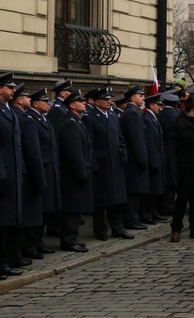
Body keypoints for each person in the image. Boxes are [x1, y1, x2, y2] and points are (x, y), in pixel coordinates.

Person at [0, 72, 28, 271]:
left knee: (11, 220)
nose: (13, 91)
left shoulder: (7, 109)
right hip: (3, 173)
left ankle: (7, 259)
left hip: (14, 171)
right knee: (1, 221)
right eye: (10, 87)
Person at [85, 88, 132, 241]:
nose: (109, 102)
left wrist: (123, 155)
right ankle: (100, 230)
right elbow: (89, 143)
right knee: (101, 199)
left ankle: (118, 228)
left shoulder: (112, 115)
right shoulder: (90, 117)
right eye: (105, 100)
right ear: (96, 101)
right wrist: (93, 163)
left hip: (116, 162)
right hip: (101, 163)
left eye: (109, 99)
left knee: (117, 198)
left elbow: (119, 137)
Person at [10, 84, 47, 261]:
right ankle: (26, 248)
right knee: (28, 216)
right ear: (19, 100)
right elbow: (33, 152)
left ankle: (25, 248)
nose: (30, 99)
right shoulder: (24, 119)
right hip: (27, 174)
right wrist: (40, 179)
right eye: (26, 97)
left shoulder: (18, 117)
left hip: (21, 172)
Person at [57, 90, 94, 252]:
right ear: (72, 105)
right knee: (72, 208)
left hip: (78, 172)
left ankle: (73, 238)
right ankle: (68, 240)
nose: (84, 102)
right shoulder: (70, 124)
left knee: (76, 207)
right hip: (72, 175)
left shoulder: (77, 121)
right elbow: (74, 153)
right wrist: (81, 173)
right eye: (80, 101)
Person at [26, 89, 60, 254]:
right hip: (41, 169)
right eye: (44, 101)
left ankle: (38, 242)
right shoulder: (31, 119)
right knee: (38, 209)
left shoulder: (43, 118)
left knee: (45, 209)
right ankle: (31, 243)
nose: (48, 104)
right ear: (35, 103)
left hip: (49, 168)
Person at [171, 93, 194, 241]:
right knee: (182, 198)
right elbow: (188, 140)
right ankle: (176, 228)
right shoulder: (181, 121)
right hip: (185, 165)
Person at [120, 86, 149, 230]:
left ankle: (134, 219)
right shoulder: (132, 113)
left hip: (134, 158)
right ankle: (132, 221)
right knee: (133, 192)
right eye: (141, 95)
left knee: (136, 192)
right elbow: (136, 139)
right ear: (132, 98)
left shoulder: (134, 112)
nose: (143, 98)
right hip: (133, 159)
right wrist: (142, 158)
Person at [142, 94, 166, 224]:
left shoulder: (153, 118)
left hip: (158, 157)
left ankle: (154, 212)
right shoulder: (147, 118)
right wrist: (153, 161)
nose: (160, 107)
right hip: (153, 159)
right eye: (158, 105)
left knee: (156, 188)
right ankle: (148, 214)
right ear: (151, 105)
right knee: (151, 189)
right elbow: (150, 142)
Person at [158, 92, 181, 216]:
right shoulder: (176, 116)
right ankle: (169, 206)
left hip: (161, 150)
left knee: (164, 179)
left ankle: (162, 206)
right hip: (173, 150)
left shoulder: (158, 115)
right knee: (172, 180)